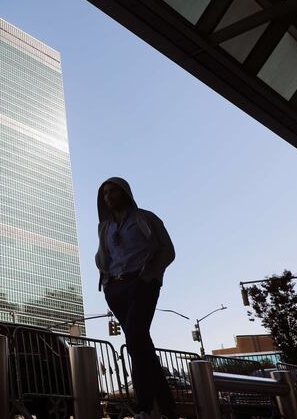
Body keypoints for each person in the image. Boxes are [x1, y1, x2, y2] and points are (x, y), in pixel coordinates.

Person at [95, 177, 176, 419]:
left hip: (142, 284)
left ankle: (144, 407)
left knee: (135, 340)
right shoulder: (104, 227)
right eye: (105, 193)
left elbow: (167, 249)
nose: (108, 196)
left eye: (113, 191)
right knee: (141, 344)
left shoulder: (146, 218)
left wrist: (150, 276)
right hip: (115, 290)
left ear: (125, 193)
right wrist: (107, 282)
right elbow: (103, 256)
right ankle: (167, 408)